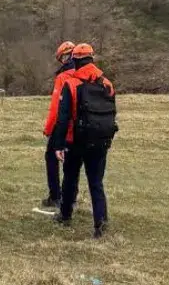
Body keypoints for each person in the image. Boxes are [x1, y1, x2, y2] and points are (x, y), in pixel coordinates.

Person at [49, 43, 117, 239]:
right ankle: (101, 223)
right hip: (101, 140)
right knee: (96, 182)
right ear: (92, 58)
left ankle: (65, 214)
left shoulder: (71, 84)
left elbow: (63, 118)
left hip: (76, 140)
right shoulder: (107, 84)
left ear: (75, 60)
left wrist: (58, 144)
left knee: (70, 177)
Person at [39, 40, 77, 210]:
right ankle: (71, 196)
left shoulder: (63, 77)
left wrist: (48, 128)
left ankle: (55, 196)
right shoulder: (87, 74)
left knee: (51, 157)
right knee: (73, 162)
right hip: (82, 126)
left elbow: (56, 107)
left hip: (62, 126)